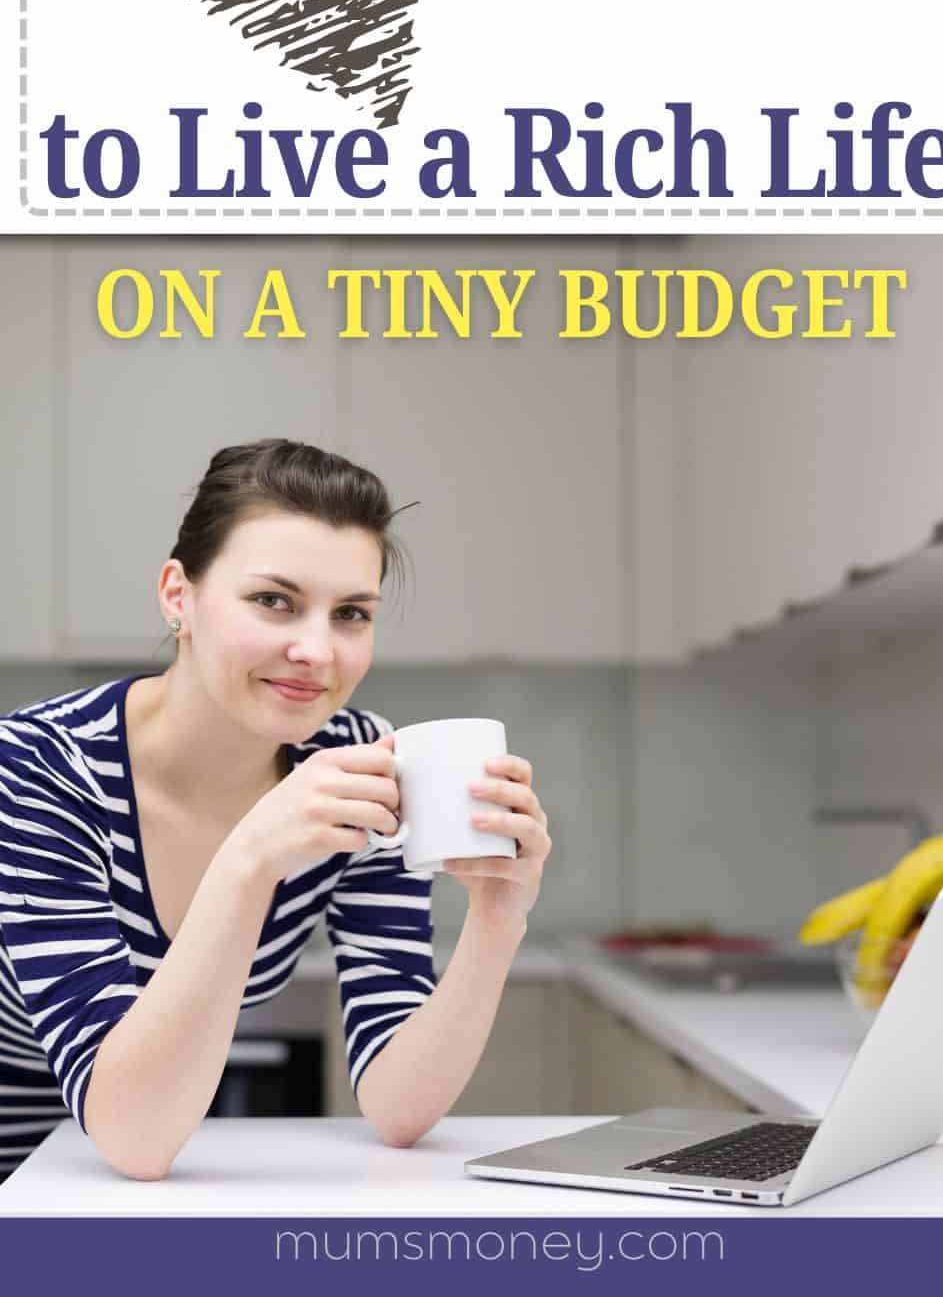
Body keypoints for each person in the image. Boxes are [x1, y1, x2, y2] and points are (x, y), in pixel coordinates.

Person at [0, 439, 551, 1184]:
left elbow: (399, 1103)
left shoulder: (358, 759)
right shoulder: (38, 769)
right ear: (177, 595)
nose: (317, 651)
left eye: (351, 613)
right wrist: (250, 857)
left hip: (132, 1175)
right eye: (274, 601)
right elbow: (132, 1136)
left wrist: (496, 923)